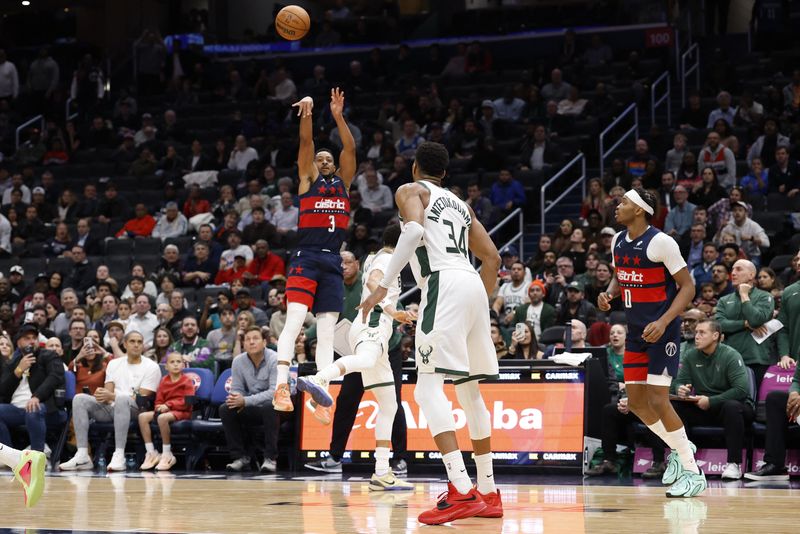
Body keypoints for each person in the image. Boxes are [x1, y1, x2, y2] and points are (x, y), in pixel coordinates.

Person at [359, 141, 503, 524]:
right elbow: (493, 258)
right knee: (470, 392)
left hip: (443, 283)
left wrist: (381, 288)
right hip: (472, 283)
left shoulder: (411, 190)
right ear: (445, 172)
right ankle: (488, 492)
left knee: (426, 389)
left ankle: (460, 488)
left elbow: (410, 234)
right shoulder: (462, 205)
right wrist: (479, 304)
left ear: (414, 167)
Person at [598, 187, 706, 497]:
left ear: (639, 210)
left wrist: (663, 321)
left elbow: (688, 287)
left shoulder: (662, 242)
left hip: (663, 331)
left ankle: (693, 471)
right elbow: (621, 275)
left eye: (623, 202)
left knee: (658, 400)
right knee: (635, 403)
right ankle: (682, 447)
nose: (617, 205)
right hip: (636, 333)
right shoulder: (618, 241)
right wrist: (609, 294)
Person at [298, 225, 414, 490]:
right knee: (365, 360)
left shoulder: (377, 256)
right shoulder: (386, 259)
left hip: (377, 332)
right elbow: (374, 281)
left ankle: (381, 472)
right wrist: (392, 311)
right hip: (373, 324)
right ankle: (319, 379)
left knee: (389, 405)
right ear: (402, 243)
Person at [272, 88, 356, 423]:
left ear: (334, 165)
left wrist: (338, 116)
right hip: (305, 257)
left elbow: (350, 148)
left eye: (327, 158)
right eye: (318, 158)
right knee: (294, 322)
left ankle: (322, 394)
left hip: (332, 260)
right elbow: (305, 143)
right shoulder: (307, 181)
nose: (323, 161)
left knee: (327, 332)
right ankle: (281, 385)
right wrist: (307, 113)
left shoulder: (344, 184)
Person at [59, 330, 161, 472]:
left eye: (139, 342)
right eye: (132, 341)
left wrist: (112, 396)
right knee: (79, 399)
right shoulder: (114, 364)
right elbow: (108, 392)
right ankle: (82, 455)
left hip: (137, 410)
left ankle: (119, 455)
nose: (136, 345)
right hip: (113, 408)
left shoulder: (151, 366)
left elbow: (142, 398)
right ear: (124, 344)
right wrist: (102, 395)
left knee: (122, 399)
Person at [672, 319, 753, 480]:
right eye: (696, 332)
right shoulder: (690, 355)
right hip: (703, 406)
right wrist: (680, 389)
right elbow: (679, 381)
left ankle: (734, 464)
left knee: (731, 407)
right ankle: (685, 462)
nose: (697, 336)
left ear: (715, 336)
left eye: (702, 333)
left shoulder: (730, 355)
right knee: (675, 406)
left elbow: (741, 390)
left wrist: (711, 401)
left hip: (734, 407)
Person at [745, 269, 800, 481]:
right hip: (795, 364)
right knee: (776, 399)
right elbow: (783, 328)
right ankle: (775, 465)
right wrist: (795, 391)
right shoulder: (790, 292)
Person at [222, 327, 280, 473]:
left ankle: (270, 458)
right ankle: (240, 458)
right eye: (247, 339)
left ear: (264, 342)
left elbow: (275, 393)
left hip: (281, 406)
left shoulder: (275, 359)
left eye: (255, 338)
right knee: (226, 408)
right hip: (255, 406)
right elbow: (237, 389)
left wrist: (245, 401)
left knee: (269, 406)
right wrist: (235, 398)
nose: (251, 342)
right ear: (243, 344)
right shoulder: (238, 361)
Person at [715, 260, 774, 386]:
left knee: (753, 397)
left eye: (738, 269)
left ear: (751, 275)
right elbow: (719, 325)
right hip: (729, 359)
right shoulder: (724, 300)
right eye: (732, 269)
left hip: (756, 359)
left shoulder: (765, 296)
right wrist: (745, 324)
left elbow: (756, 320)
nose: (733, 273)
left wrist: (744, 295)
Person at [138, 352, 195, 471]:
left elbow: (187, 403)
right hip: (165, 410)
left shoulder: (187, 381)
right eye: (172, 362)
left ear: (183, 365)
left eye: (178, 362)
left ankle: (167, 453)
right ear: (166, 367)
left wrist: (168, 405)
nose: (175, 364)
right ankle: (151, 453)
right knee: (142, 417)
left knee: (162, 418)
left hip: (182, 411)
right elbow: (158, 400)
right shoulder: (164, 381)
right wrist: (158, 407)